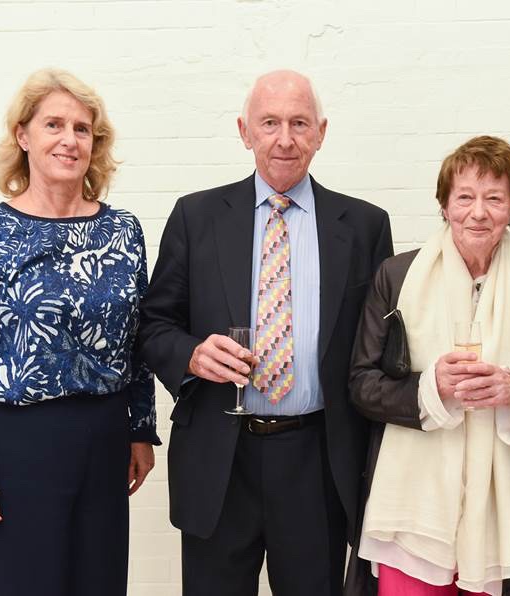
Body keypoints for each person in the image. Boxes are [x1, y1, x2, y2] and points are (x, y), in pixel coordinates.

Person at [137, 69, 393, 596]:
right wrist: (190, 355)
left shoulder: (366, 225)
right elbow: (153, 325)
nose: (284, 139)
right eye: (270, 122)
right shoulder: (196, 216)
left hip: (317, 462)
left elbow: (381, 349)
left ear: (321, 132)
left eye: (299, 123)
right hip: (220, 461)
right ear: (244, 130)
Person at [0, 68, 160, 596]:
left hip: (103, 442)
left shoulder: (122, 231)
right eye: (54, 124)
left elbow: (137, 340)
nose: (69, 139)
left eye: (82, 129)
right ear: (23, 136)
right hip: (15, 449)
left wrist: (140, 427)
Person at [346, 135, 510, 596]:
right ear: (444, 204)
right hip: (411, 514)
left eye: (494, 198)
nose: (479, 212)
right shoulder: (396, 276)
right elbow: (360, 384)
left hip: (505, 509)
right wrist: (429, 386)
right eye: (465, 197)